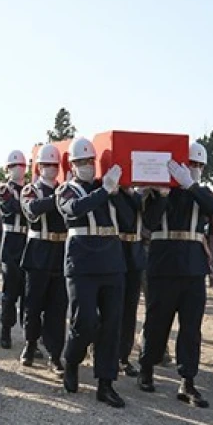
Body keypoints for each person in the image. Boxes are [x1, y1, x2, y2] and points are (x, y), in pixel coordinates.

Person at [137, 142, 213, 408]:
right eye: (190, 164)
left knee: (191, 327)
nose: (194, 169)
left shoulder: (201, 192)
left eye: (198, 166)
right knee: (157, 321)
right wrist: (161, 195)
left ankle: (188, 380)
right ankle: (147, 367)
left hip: (193, 266)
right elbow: (148, 223)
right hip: (163, 262)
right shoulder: (161, 191)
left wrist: (190, 185)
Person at [57, 137, 131, 408]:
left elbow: (130, 219)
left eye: (89, 161)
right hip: (82, 262)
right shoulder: (66, 189)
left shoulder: (107, 188)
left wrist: (121, 192)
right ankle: (72, 360)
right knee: (85, 320)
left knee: (112, 324)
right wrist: (105, 190)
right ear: (72, 165)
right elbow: (74, 210)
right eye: (80, 162)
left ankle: (105, 383)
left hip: (112, 261)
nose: (86, 166)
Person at [19, 143, 69, 373]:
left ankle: (55, 354)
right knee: (33, 304)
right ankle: (30, 344)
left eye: (53, 165)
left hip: (60, 251)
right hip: (38, 251)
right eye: (46, 165)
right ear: (39, 167)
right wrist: (58, 198)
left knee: (57, 309)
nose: (50, 168)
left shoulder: (65, 189)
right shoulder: (31, 189)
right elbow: (32, 209)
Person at [0, 150, 29, 348]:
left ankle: (29, 337)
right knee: (10, 293)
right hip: (11, 243)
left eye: (21, 165)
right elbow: (13, 206)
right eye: (14, 166)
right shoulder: (3, 189)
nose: (18, 169)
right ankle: (5, 331)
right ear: (7, 169)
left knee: (29, 294)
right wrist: (33, 205)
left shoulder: (30, 188)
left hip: (28, 241)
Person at [115, 183, 145, 379]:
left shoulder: (141, 195)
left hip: (135, 252)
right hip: (115, 250)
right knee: (110, 308)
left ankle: (123, 356)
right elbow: (125, 218)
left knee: (130, 309)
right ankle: (103, 349)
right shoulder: (113, 191)